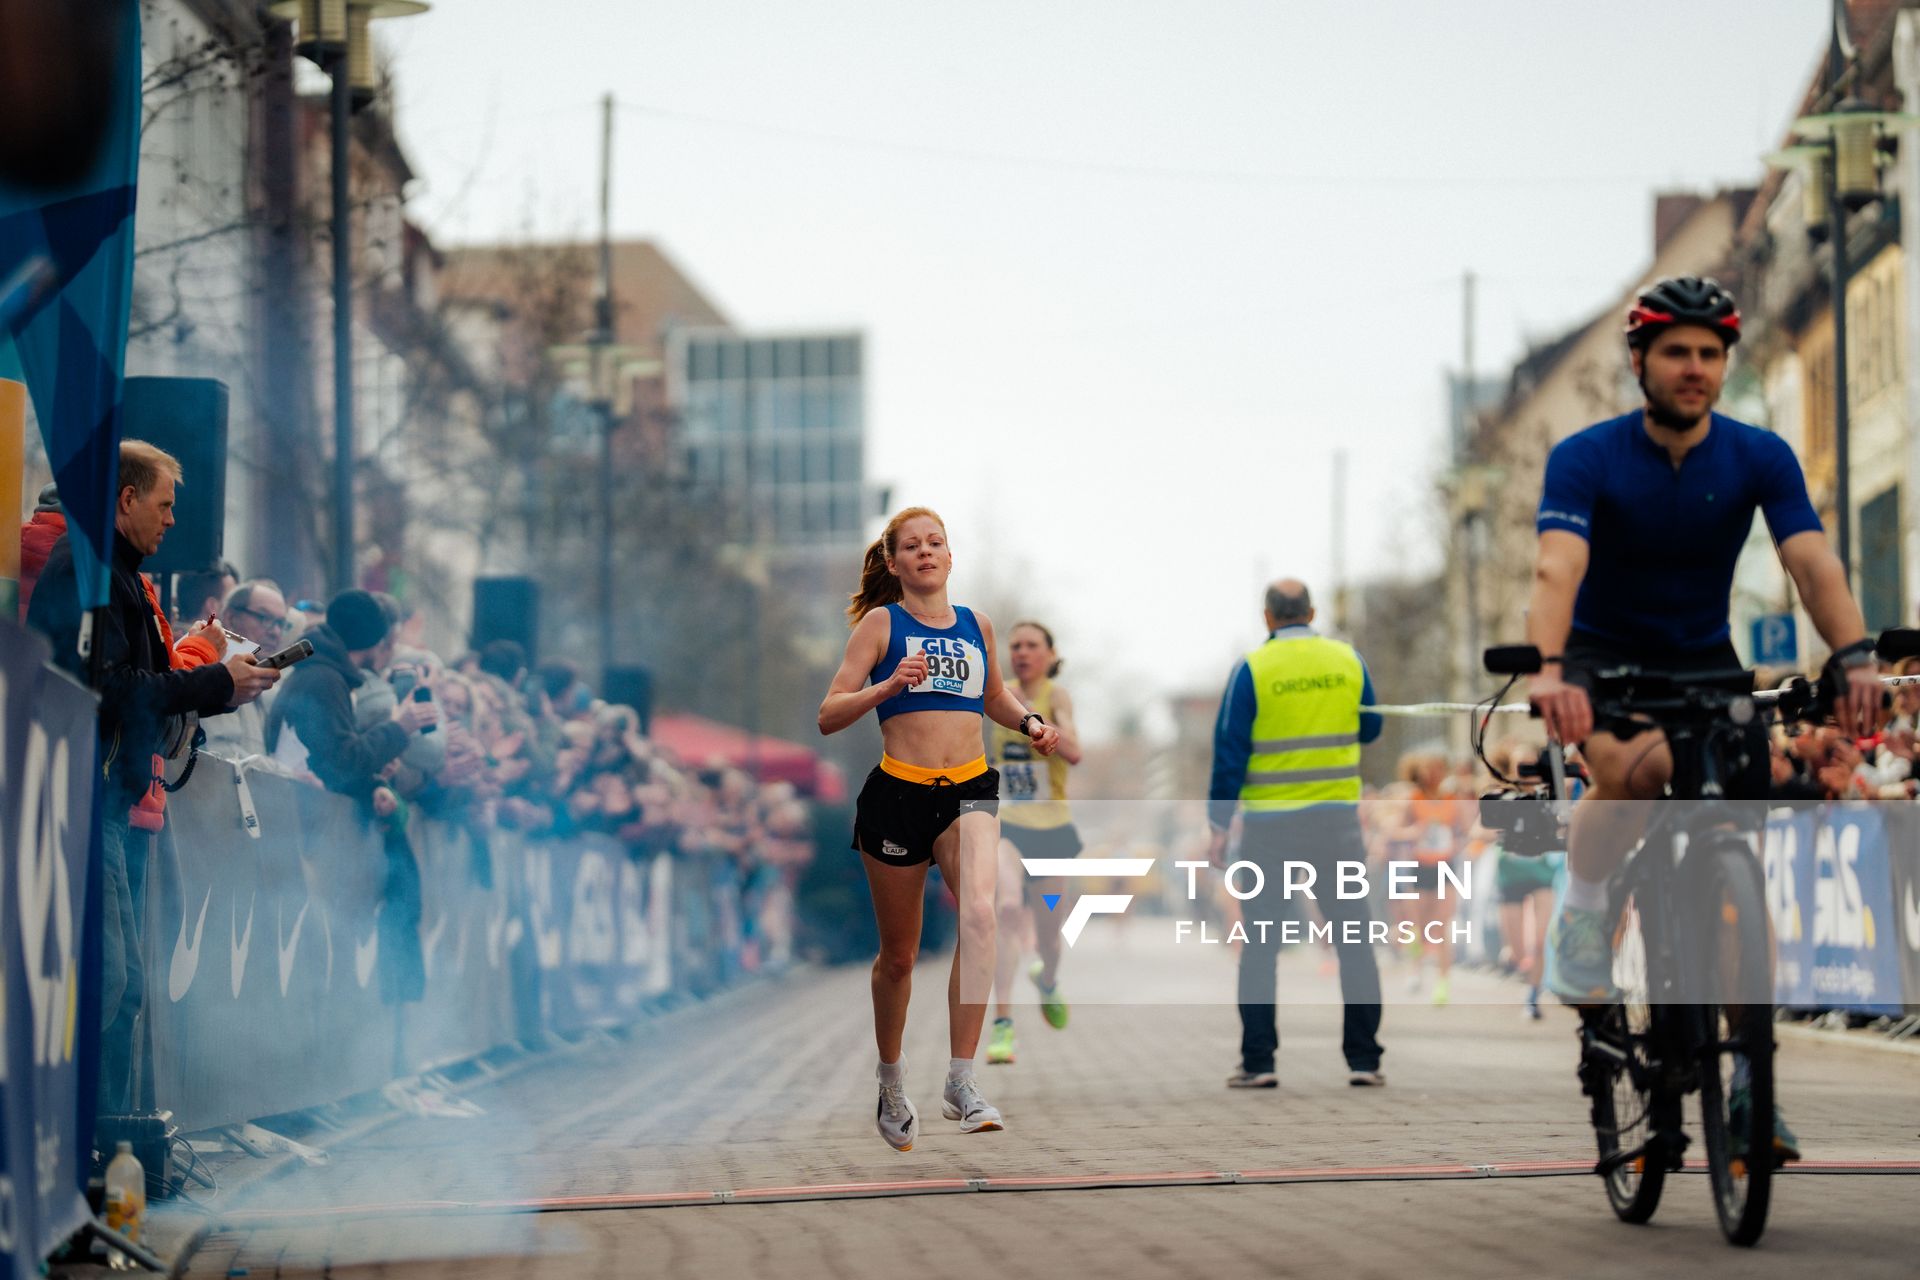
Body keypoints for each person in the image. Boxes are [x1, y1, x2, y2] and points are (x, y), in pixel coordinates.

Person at [1525, 276, 1881, 1163]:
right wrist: (1548, 670)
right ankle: (1587, 906)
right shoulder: (1586, 456)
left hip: (1705, 665)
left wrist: (1854, 656)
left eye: (1711, 353)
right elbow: (1556, 570)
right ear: (1640, 361)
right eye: (1677, 352)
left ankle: (1752, 1082)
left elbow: (1810, 561)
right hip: (1605, 663)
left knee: (1736, 887)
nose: (1695, 369)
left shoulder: (1758, 455)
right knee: (1638, 772)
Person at [24, 440, 279, 1113]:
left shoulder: (119, 576)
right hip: (76, 799)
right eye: (163, 506)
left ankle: (104, 1148)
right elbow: (109, 687)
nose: (172, 522)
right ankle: (76, 1150)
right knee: (106, 983)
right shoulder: (88, 571)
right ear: (126, 499)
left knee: (123, 982)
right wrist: (214, 680)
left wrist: (217, 685)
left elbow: (140, 682)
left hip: (104, 800)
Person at [818, 507, 1060, 1150]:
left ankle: (961, 1078)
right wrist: (885, 685)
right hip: (898, 792)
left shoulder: (977, 624)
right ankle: (892, 1080)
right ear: (895, 563)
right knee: (899, 957)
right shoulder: (880, 625)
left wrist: (1031, 722)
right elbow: (828, 713)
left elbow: (995, 699)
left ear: (950, 558)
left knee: (981, 914)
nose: (926, 552)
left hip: (970, 789)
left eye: (936, 543)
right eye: (912, 546)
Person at [1208, 579, 1386, 1089]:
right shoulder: (1349, 660)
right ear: (1311, 611)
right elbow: (1370, 728)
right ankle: (1365, 1059)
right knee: (1354, 939)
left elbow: (1229, 753)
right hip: (1337, 823)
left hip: (1269, 826)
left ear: (1267, 617)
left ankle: (1260, 1062)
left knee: (1261, 944)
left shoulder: (1252, 669)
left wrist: (1219, 825)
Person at [983, 621, 1084, 1065]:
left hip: (1051, 829)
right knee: (1006, 909)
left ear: (1049, 653)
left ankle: (1046, 979)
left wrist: (1048, 732)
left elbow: (1076, 752)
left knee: (1049, 937)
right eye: (1016, 646)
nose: (1022, 653)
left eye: (1032, 646)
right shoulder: (997, 694)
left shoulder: (1054, 695)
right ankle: (1003, 1025)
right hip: (1007, 822)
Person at [1384, 752, 1467, 1006]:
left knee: (1442, 928)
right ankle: (1415, 969)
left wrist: (1456, 842)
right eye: (1428, 769)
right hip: (1418, 867)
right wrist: (1414, 831)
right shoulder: (1412, 799)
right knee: (1418, 926)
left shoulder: (1452, 800)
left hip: (1445, 867)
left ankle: (1443, 982)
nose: (1433, 774)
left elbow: (1464, 830)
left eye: (1438, 768)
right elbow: (1393, 830)